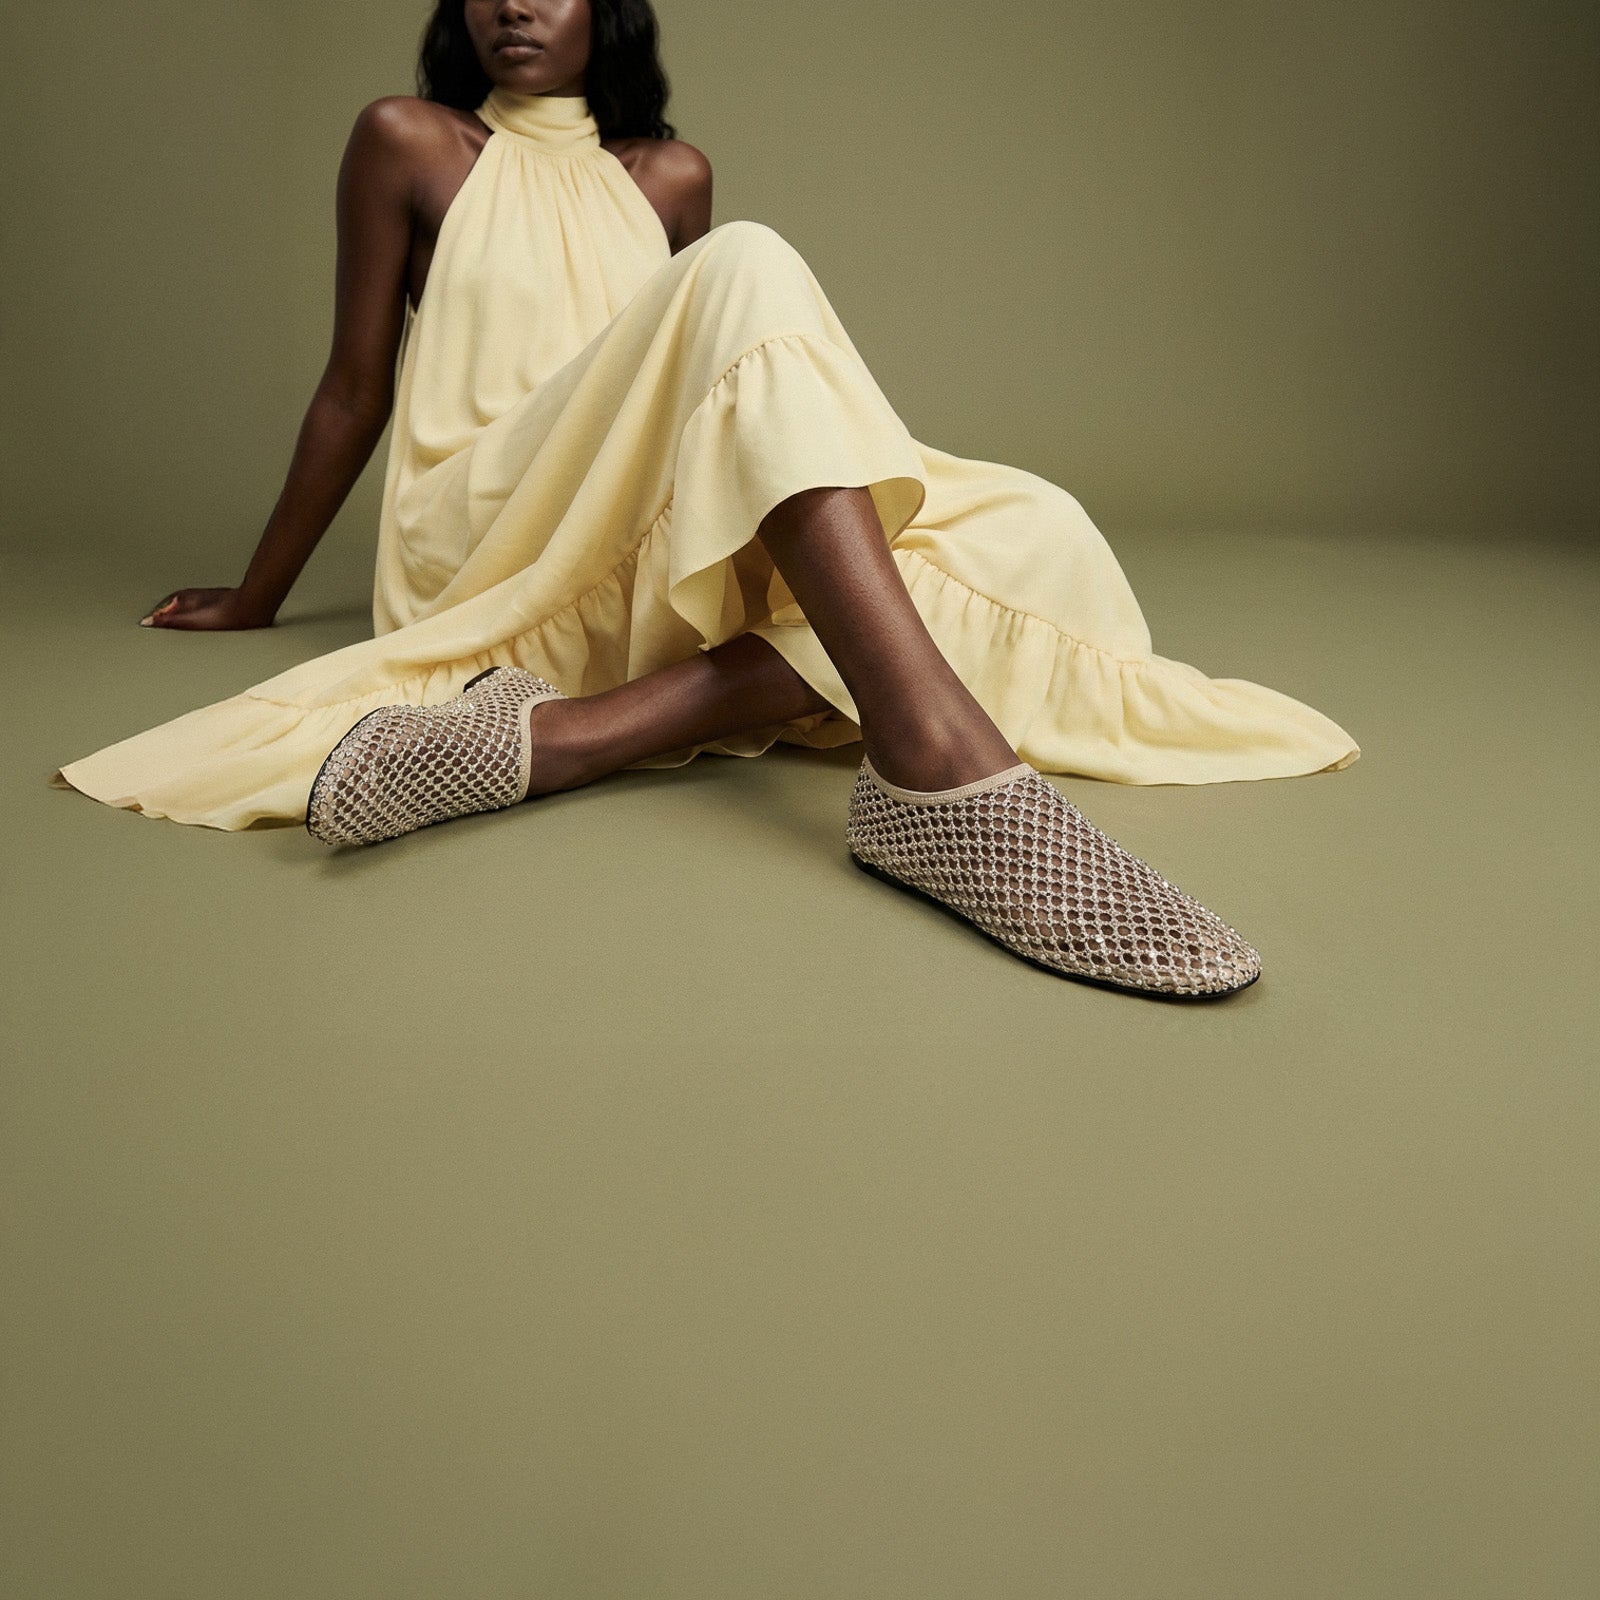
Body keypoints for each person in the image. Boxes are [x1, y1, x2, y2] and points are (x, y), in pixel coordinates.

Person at [52, 0, 1359, 999]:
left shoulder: (668, 175)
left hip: (635, 502)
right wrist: (260, 593)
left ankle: (566, 738)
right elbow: (355, 386)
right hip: (494, 513)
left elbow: (725, 395)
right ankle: (936, 765)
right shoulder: (408, 140)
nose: (515, 3)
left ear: (606, 11)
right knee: (750, 269)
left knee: (1033, 527)